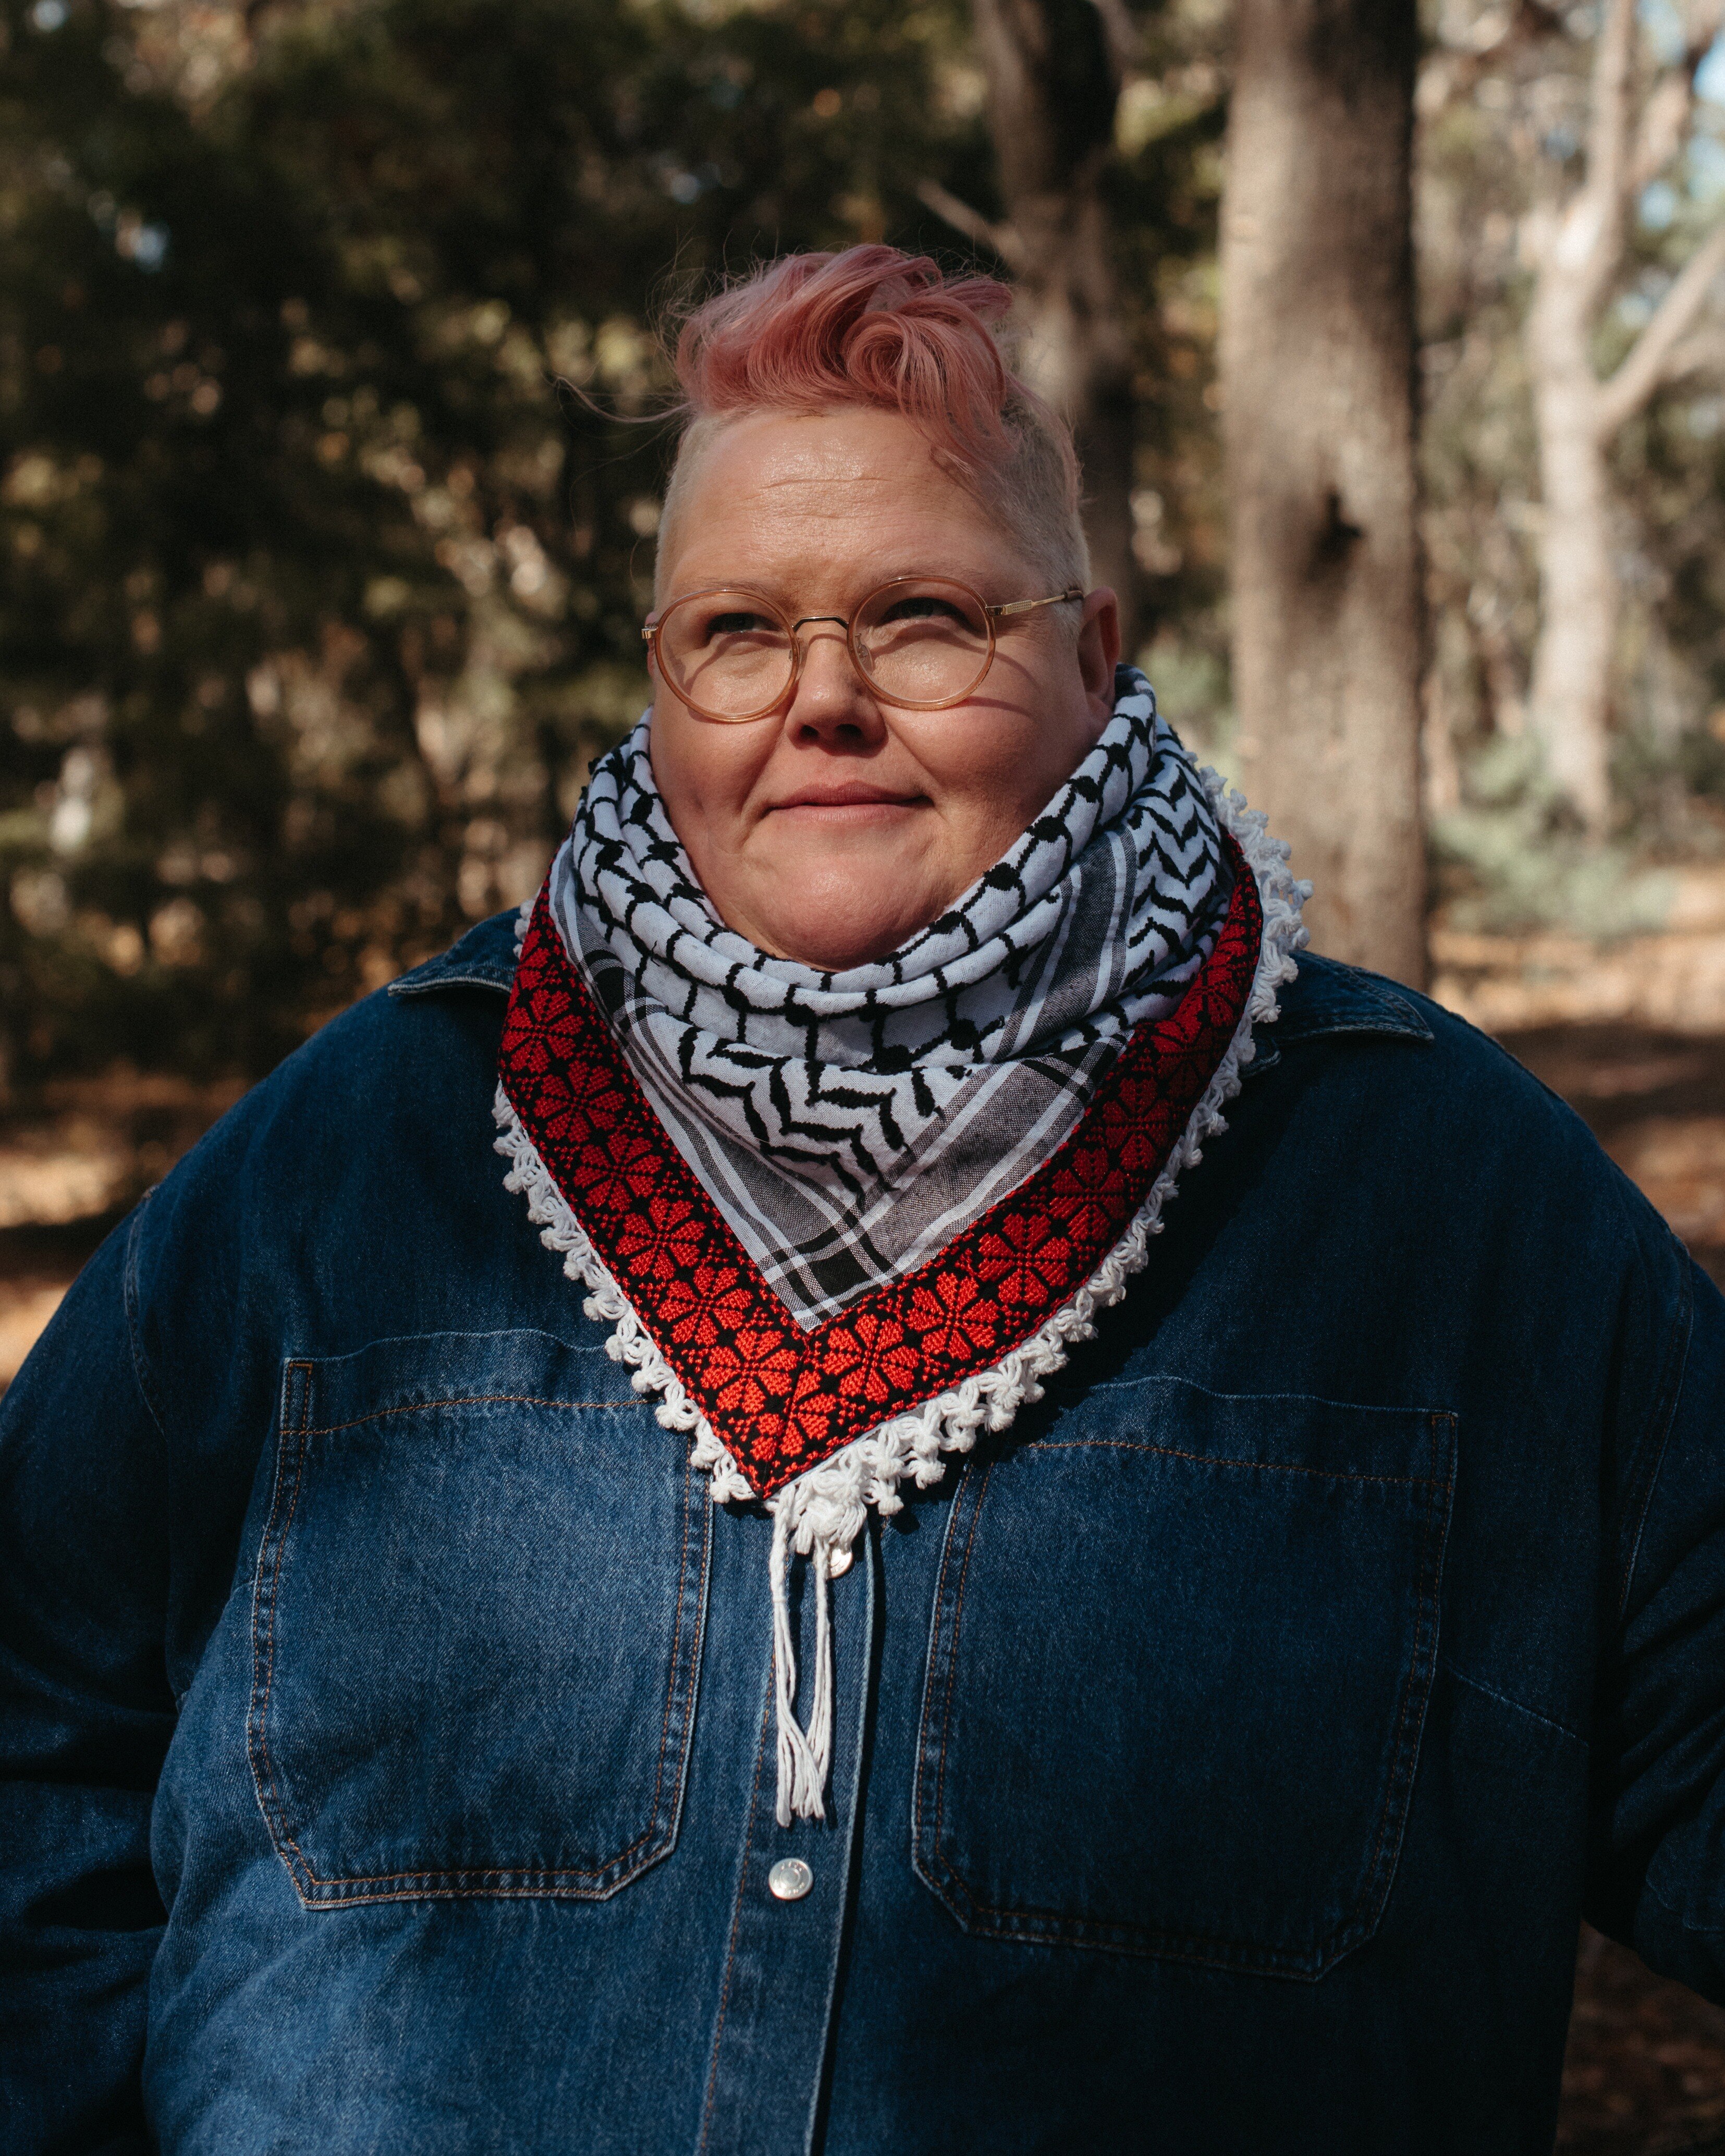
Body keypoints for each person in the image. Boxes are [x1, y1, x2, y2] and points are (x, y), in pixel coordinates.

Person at [3, 244, 1722, 2156]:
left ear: (1095, 649)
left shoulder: (1445, 1204)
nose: (818, 701)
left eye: (920, 618)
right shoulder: (349, 1166)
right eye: (737, 630)